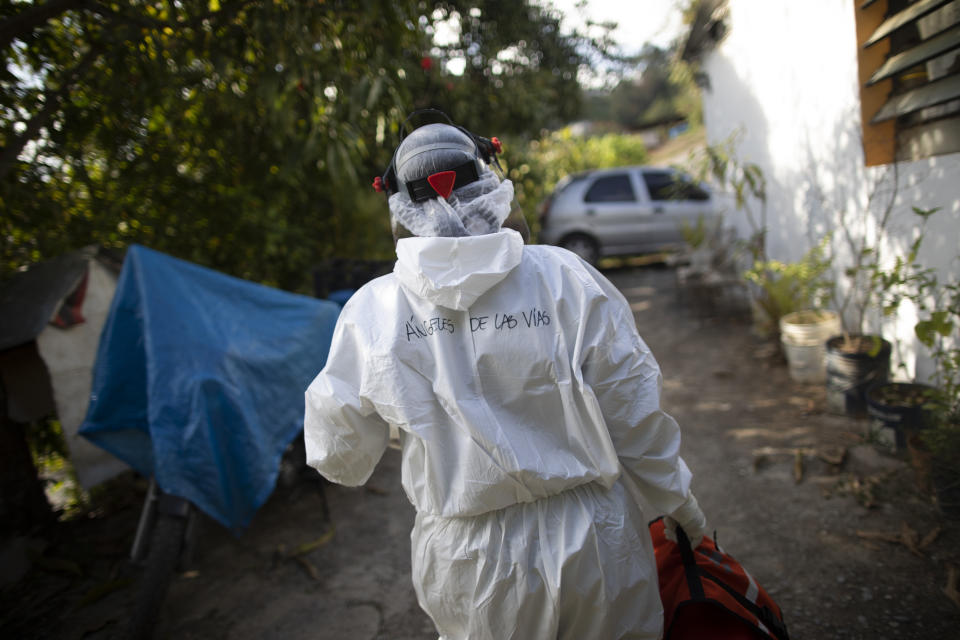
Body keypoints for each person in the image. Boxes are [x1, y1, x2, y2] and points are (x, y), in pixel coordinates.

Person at [303, 114, 708, 640]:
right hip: (595, 542)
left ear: (400, 206)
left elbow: (339, 455)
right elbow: (632, 408)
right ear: (490, 179)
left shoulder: (371, 312)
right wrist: (677, 502)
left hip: (471, 566)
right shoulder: (563, 277)